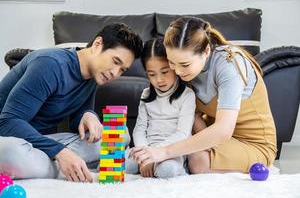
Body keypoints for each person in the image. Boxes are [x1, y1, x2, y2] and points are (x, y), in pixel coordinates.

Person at [130, 17, 277, 174]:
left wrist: (164, 151)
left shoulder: (229, 65)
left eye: (184, 65)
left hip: (251, 142)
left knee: (197, 161)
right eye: (172, 63)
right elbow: (192, 116)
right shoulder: (187, 68)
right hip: (210, 134)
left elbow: (223, 130)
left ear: (206, 51)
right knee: (184, 147)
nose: (177, 71)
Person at [0, 23, 143, 182]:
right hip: (10, 138)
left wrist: (88, 115)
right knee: (10, 154)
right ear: (97, 45)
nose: (115, 73)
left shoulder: (93, 75)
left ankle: (66, 166)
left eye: (122, 69)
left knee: (120, 133)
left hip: (41, 142)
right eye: (115, 61)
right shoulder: (49, 64)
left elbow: (77, 124)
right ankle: (76, 168)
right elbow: (7, 122)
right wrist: (61, 152)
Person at [126, 37, 196, 178]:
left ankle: (182, 169)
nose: (159, 80)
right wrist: (144, 154)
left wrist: (153, 154)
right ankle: (145, 165)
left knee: (166, 171)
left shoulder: (187, 95)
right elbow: (139, 129)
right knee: (110, 166)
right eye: (152, 74)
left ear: (174, 66)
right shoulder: (146, 94)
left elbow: (182, 133)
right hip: (145, 149)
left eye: (164, 72)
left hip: (171, 150)